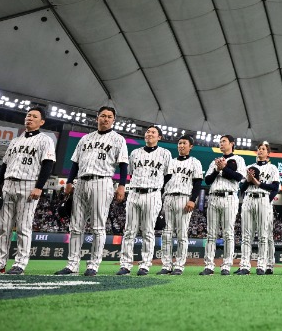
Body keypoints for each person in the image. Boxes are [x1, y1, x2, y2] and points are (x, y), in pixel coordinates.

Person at [0, 106, 55, 275]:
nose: (30, 118)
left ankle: (20, 264)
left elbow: (48, 165)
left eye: (34, 116)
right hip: (8, 184)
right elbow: (5, 165)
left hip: (28, 185)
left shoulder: (45, 140)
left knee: (23, 226)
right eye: (28, 115)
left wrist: (39, 186)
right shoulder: (15, 141)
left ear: (41, 122)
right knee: (4, 227)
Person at [56, 106, 128, 276]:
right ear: (97, 118)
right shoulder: (85, 139)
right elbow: (75, 162)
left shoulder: (118, 139)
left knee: (97, 227)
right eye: (103, 115)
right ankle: (72, 264)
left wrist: (122, 185)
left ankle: (93, 265)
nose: (106, 119)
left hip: (102, 181)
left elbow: (124, 165)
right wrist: (69, 182)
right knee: (75, 227)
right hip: (81, 181)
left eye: (110, 116)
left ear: (113, 120)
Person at [118, 125, 171, 276]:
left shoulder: (165, 153)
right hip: (134, 192)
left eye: (153, 132)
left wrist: (157, 186)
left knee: (148, 231)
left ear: (159, 137)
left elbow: (168, 175)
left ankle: (145, 265)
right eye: (148, 131)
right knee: (129, 231)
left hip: (153, 193)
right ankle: (125, 265)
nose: (149, 134)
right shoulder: (135, 153)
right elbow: (131, 174)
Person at [201, 134, 246, 275]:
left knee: (228, 233)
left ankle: (226, 265)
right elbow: (207, 180)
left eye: (224, 141)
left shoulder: (238, 159)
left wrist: (225, 168)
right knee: (211, 234)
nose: (221, 144)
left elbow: (239, 177)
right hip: (213, 197)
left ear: (232, 143)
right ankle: (209, 265)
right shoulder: (214, 162)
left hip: (229, 197)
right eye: (220, 142)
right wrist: (217, 169)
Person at [158, 135, 202, 275]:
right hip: (169, 197)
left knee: (182, 234)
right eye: (179, 143)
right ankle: (166, 265)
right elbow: (162, 181)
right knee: (166, 233)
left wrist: (192, 200)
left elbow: (197, 183)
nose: (181, 145)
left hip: (184, 198)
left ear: (191, 146)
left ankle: (179, 266)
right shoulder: (169, 162)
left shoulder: (195, 162)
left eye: (184, 143)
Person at [238, 140, 280, 275]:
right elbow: (242, 188)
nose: (260, 150)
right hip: (248, 199)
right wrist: (249, 181)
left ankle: (261, 265)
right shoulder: (250, 167)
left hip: (263, 199)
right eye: (259, 148)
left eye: (263, 149)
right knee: (246, 235)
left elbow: (275, 187)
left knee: (263, 235)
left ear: (268, 153)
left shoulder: (272, 168)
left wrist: (259, 184)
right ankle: (245, 265)